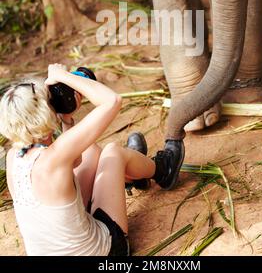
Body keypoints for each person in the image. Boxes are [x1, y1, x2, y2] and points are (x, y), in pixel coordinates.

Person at [0, 63, 182, 256]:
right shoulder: (55, 157)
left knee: (91, 152)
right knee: (113, 152)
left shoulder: (14, 157)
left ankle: (133, 175)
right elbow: (112, 100)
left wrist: (66, 119)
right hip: (105, 253)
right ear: (44, 113)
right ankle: (164, 170)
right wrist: (63, 76)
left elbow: (76, 161)